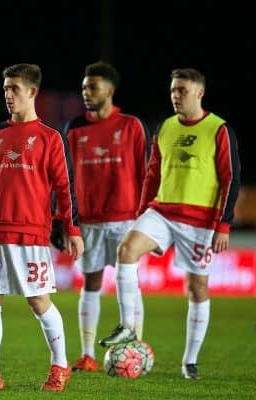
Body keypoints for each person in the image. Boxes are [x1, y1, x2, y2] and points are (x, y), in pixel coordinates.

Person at [98, 68, 240, 380]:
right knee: (127, 249)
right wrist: (140, 213)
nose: (176, 95)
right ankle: (126, 325)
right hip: (162, 211)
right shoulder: (166, 127)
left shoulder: (218, 129)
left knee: (196, 287)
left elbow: (231, 178)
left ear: (200, 93)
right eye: (173, 90)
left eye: (183, 91)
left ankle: (189, 361)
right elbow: (152, 173)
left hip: (201, 220)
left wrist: (223, 224)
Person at [0, 63, 85, 392]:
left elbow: (65, 187)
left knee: (38, 301)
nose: (8, 95)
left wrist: (73, 228)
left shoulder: (50, 138)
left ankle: (60, 366)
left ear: (32, 92)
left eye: (14, 89)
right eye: (6, 89)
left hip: (30, 234)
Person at [50, 61, 151, 373]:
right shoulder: (75, 128)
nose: (86, 92)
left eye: (92, 87)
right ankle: (87, 354)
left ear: (110, 89)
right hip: (89, 220)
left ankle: (136, 349)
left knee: (130, 284)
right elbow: (63, 177)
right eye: (84, 87)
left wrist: (149, 217)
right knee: (91, 283)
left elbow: (147, 174)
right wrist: (60, 218)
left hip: (126, 219)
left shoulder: (132, 126)